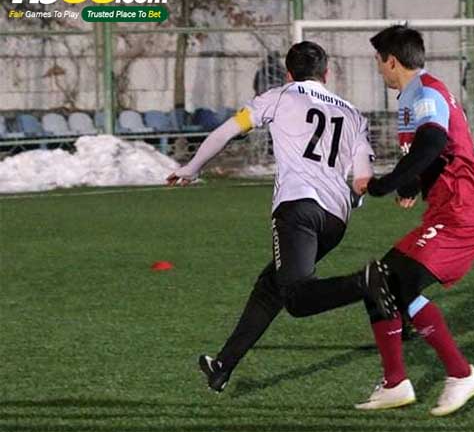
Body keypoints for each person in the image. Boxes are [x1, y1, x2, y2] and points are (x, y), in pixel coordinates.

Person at [167, 41, 396, 394]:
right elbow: (362, 178)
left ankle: (364, 283)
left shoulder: (278, 96)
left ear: (289, 74)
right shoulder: (353, 113)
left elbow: (227, 130)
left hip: (298, 210)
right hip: (336, 220)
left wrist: (192, 167)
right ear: (327, 73)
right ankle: (222, 366)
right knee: (271, 286)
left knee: (297, 299)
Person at [351, 25, 474, 416]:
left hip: (462, 214)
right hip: (450, 210)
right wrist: (410, 185)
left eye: (379, 62)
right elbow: (432, 151)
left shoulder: (425, 92)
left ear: (391, 60)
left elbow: (431, 142)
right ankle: (396, 383)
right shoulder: (416, 94)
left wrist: (385, 184)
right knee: (383, 281)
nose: (379, 70)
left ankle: (459, 375)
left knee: (390, 280)